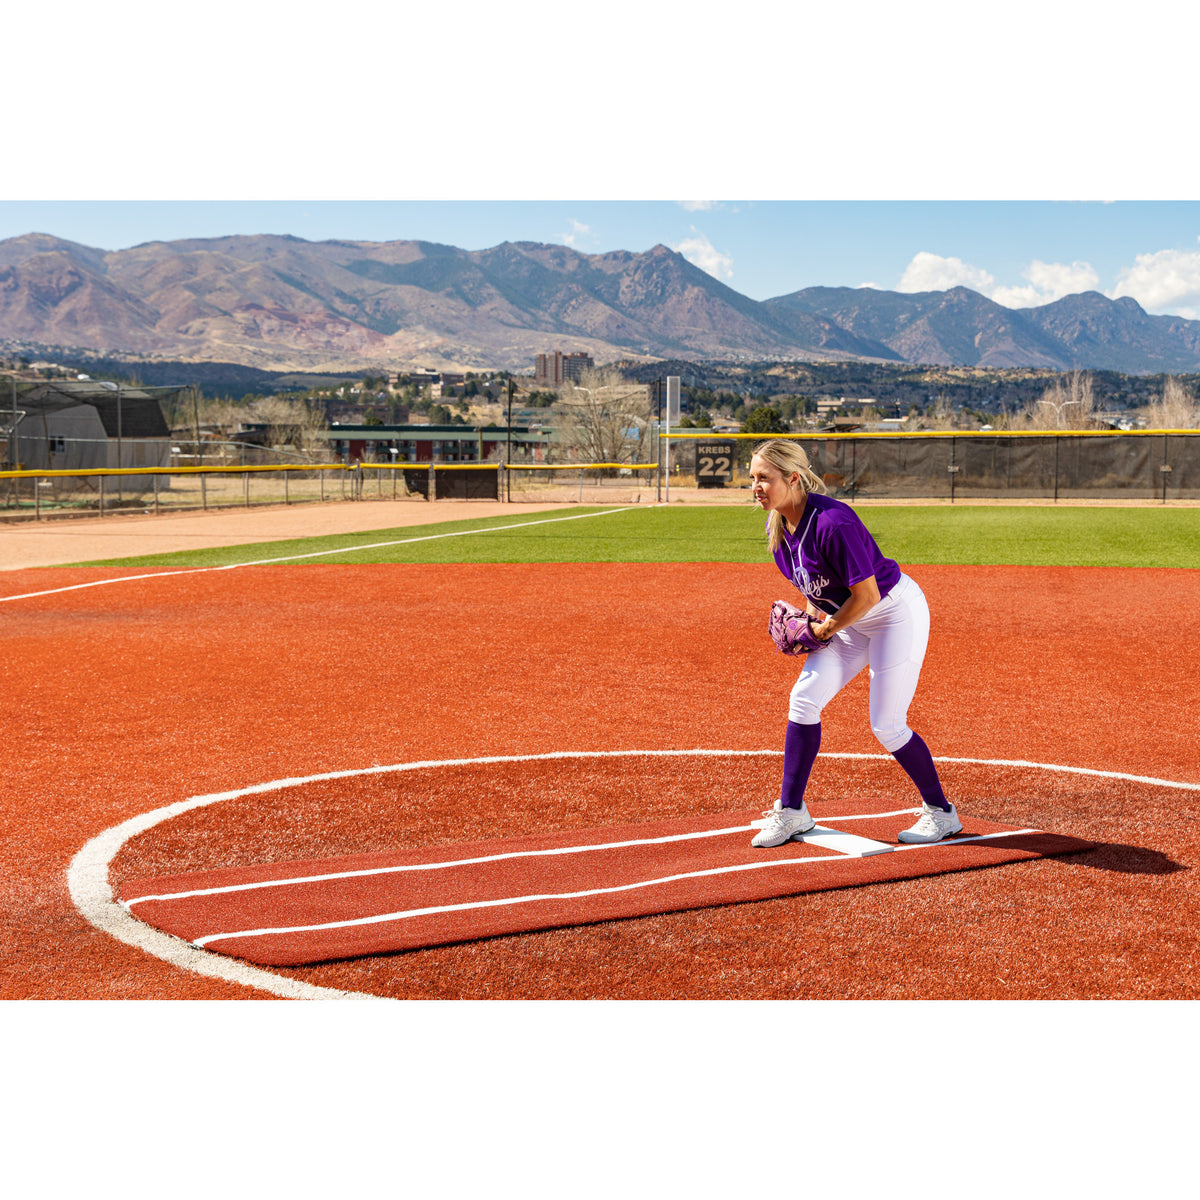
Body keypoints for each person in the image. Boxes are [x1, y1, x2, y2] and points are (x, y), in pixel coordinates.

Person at [747, 438, 962, 849]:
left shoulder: (833, 522)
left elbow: (866, 597)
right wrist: (809, 620)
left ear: (793, 478)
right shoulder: (780, 532)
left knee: (887, 724)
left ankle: (941, 813)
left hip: (892, 614)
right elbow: (818, 593)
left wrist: (823, 631)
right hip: (848, 620)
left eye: (764, 478)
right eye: (752, 479)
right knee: (803, 701)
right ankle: (792, 812)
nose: (756, 486)